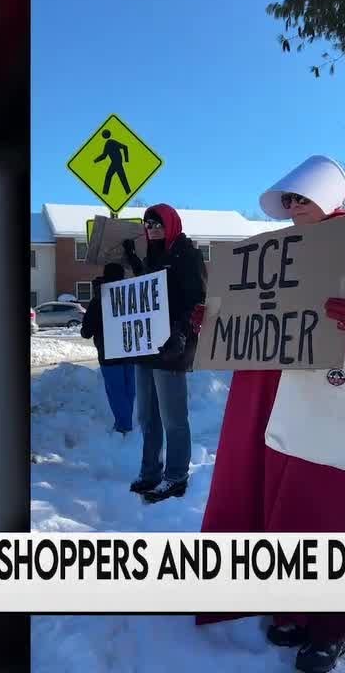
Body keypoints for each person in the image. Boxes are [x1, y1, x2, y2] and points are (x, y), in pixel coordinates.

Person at [193, 156, 345, 673]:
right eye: (288, 199)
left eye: (301, 197)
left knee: (329, 516)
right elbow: (265, 322)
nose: (293, 207)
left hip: (339, 406)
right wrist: (221, 323)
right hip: (287, 403)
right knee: (285, 506)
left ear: (329, 196)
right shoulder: (280, 253)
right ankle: (293, 606)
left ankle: (333, 622)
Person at [121, 204, 206, 503]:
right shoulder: (153, 255)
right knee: (147, 416)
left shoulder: (187, 253)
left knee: (173, 417)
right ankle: (150, 472)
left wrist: (181, 332)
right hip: (147, 344)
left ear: (171, 224)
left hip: (173, 345)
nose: (153, 229)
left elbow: (197, 299)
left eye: (158, 224)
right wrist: (134, 261)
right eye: (148, 224)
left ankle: (176, 476)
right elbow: (148, 291)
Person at [80, 263, 136, 434]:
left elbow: (86, 332)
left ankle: (124, 427)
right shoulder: (130, 296)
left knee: (116, 392)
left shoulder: (98, 300)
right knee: (129, 391)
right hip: (130, 351)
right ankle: (126, 425)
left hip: (109, 354)